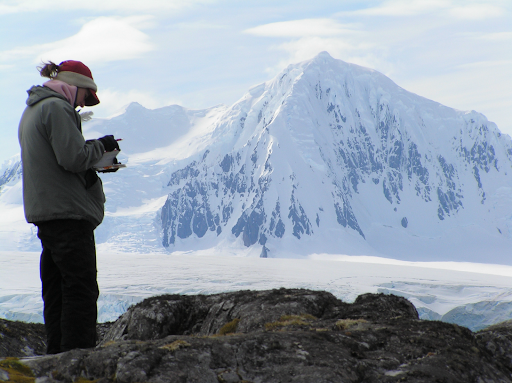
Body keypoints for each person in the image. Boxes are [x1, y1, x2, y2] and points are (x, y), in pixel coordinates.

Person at [18, 60, 120, 354]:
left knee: (57, 290)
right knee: (80, 288)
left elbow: (58, 160)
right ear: (76, 87)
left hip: (46, 211)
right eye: (86, 97)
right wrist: (101, 147)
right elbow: (73, 158)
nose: (84, 104)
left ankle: (57, 358)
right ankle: (78, 361)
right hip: (68, 213)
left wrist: (93, 161)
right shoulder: (58, 108)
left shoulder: (33, 109)